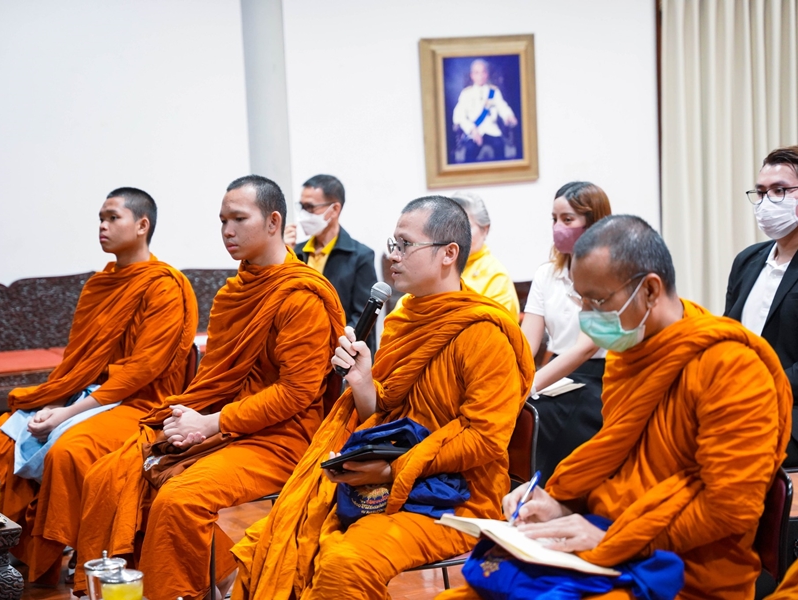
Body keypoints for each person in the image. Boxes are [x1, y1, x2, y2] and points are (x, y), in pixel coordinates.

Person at [440, 215, 792, 600]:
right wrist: (559, 505)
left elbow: (730, 507)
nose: (587, 316)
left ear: (650, 290)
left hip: (682, 568)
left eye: (598, 301)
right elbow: (618, 465)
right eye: (582, 301)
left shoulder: (730, 366)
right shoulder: (627, 356)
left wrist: (617, 537)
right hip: (608, 541)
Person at [230, 195, 535, 599]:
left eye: (405, 245)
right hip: (383, 479)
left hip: (455, 497)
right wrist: (362, 384)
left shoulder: (484, 332)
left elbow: (485, 438)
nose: (393, 255)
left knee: (344, 563)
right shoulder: (403, 318)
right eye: (393, 244)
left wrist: (393, 471)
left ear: (448, 254)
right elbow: (387, 416)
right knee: (269, 542)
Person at [73, 175, 345, 600]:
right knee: (113, 473)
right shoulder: (233, 293)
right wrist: (190, 418)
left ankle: (182, 590)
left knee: (179, 497)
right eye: (222, 221)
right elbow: (214, 379)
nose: (227, 231)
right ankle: (209, 578)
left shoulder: (300, 295)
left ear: (273, 222)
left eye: (239, 219)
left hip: (283, 436)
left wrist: (211, 423)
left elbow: (297, 393)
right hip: (226, 425)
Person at [0, 187, 199, 584]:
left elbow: (142, 370)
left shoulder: (165, 285)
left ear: (142, 225)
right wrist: (56, 401)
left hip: (140, 404)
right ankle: (14, 548)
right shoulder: (99, 285)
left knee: (69, 450)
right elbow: (78, 360)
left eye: (113, 217)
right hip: (85, 395)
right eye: (100, 218)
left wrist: (66, 413)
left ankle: (58, 557)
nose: (102, 226)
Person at [520, 181, 611, 480]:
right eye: (554, 219)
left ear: (593, 224)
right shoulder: (547, 274)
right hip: (556, 374)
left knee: (547, 415)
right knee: (521, 413)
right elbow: (526, 344)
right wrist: (510, 382)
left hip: (600, 376)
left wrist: (531, 386)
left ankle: (552, 493)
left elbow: (586, 347)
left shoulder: (609, 273)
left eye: (567, 219)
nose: (558, 227)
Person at [725, 145, 798, 468]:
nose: (767, 202)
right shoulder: (747, 260)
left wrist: (761, 388)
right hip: (742, 406)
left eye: (780, 191)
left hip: (789, 417)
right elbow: (729, 333)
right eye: (761, 192)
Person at [283, 174, 378, 352]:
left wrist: (333, 344)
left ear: (334, 209)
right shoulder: (295, 252)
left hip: (340, 351)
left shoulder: (360, 256)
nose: (303, 214)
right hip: (297, 347)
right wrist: (282, 255)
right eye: (301, 207)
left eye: (310, 207)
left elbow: (363, 317)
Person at [446, 191, 518, 316]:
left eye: (465, 226)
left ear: (485, 229)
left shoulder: (496, 276)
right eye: (451, 226)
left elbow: (498, 323)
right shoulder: (438, 266)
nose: (457, 234)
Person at [452, 58, 518, 163]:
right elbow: (459, 115)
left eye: (483, 72)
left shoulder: (494, 92)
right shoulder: (466, 94)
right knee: (470, 149)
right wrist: (472, 130)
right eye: (477, 73)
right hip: (474, 131)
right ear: (472, 75)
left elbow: (502, 106)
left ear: (487, 74)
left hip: (492, 130)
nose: (480, 76)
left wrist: (509, 116)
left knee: (499, 146)